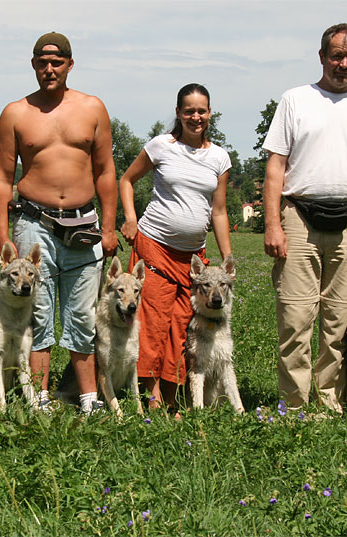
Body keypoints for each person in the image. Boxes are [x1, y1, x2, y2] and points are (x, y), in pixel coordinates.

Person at [262, 23, 347, 414]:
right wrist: (272, 224)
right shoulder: (296, 100)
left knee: (341, 322)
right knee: (296, 320)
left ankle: (329, 402)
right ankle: (296, 407)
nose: (343, 64)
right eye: (336, 55)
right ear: (322, 57)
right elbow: (275, 167)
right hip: (298, 219)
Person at [0, 32, 118, 414]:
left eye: (57, 62)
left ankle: (89, 399)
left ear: (69, 64)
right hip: (34, 224)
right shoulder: (15, 113)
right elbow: (1, 178)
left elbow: (106, 171)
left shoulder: (93, 108)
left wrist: (110, 228)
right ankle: (40, 399)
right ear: (33, 65)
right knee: (39, 312)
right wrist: (3, 240)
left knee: (82, 316)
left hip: (84, 227)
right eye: (42, 63)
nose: (49, 69)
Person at [120, 83, 232, 415]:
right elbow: (126, 181)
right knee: (153, 324)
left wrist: (226, 259)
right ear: (179, 113)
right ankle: (150, 397)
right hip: (154, 247)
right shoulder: (161, 146)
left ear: (210, 113)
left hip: (192, 258)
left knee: (181, 326)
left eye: (202, 110)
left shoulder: (219, 157)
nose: (196, 117)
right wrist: (129, 218)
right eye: (189, 111)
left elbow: (220, 211)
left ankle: (172, 398)